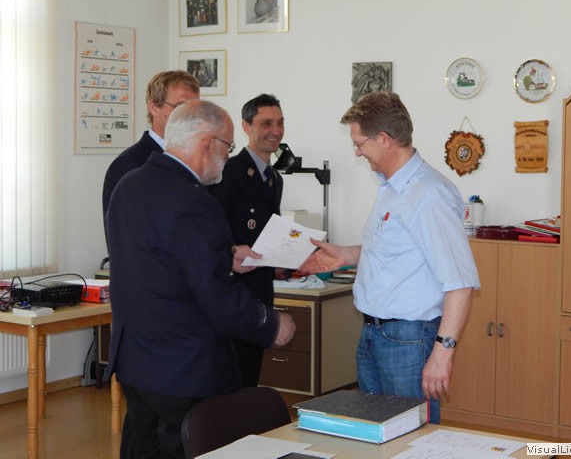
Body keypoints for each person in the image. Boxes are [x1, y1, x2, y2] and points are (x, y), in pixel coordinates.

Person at [105, 99, 296, 459]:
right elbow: (214, 294)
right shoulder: (193, 201)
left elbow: (159, 259)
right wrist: (270, 324)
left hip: (136, 358)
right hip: (182, 365)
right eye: (228, 146)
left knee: (141, 445)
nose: (227, 156)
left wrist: (225, 255)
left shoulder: (129, 184)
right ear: (208, 143)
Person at [298, 91, 479, 424]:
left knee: (410, 437)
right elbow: (399, 251)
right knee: (377, 434)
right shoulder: (392, 188)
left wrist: (442, 354)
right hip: (375, 334)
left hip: (408, 340)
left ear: (383, 139)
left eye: (359, 143)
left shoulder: (428, 194)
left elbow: (460, 283)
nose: (357, 151)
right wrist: (345, 255)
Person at [209, 93, 285, 387]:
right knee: (232, 381)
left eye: (280, 123)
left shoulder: (274, 178)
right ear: (246, 126)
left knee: (250, 376)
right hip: (234, 293)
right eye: (267, 123)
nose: (275, 131)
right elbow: (212, 229)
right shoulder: (229, 171)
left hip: (261, 291)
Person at [102, 70, 200, 217]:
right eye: (181, 107)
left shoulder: (197, 157)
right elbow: (123, 226)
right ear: (154, 107)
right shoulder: (129, 163)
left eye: (195, 108)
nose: (190, 116)